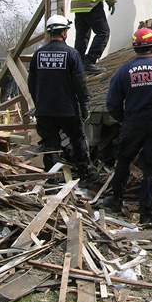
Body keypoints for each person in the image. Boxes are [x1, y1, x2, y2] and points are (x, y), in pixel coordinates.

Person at [102, 27, 152, 223]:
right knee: (151, 168)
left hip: (132, 124)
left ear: (135, 48)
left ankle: (115, 200)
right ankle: (146, 212)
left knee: (123, 160)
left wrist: (124, 119)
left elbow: (112, 103)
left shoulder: (123, 71)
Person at [28, 15, 99, 183]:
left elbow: (32, 84)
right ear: (65, 32)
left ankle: (52, 178)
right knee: (77, 138)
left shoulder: (38, 55)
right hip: (67, 108)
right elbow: (80, 84)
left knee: (50, 144)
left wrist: (39, 104)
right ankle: (84, 174)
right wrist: (85, 106)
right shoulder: (72, 54)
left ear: (49, 33)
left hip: (45, 110)